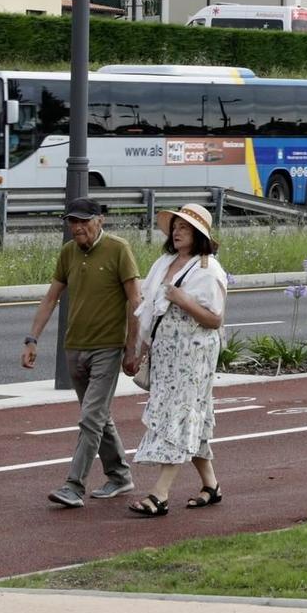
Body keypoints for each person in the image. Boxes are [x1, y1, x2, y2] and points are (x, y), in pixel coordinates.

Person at [21, 198, 142, 509]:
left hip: (107, 348)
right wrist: (32, 338)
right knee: (99, 417)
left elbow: (135, 302)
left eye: (83, 221)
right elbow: (51, 298)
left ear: (99, 220)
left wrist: (133, 348)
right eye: (72, 221)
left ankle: (74, 485)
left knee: (90, 418)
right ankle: (119, 475)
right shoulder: (68, 253)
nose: (77, 227)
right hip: (75, 347)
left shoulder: (119, 249)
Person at [124, 202, 227, 516]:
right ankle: (211, 485)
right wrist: (138, 349)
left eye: (184, 228)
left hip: (193, 355)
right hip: (167, 354)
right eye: (175, 227)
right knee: (190, 416)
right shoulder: (164, 263)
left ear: (199, 234)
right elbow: (149, 310)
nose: (177, 232)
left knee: (179, 415)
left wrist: (182, 299)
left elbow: (215, 319)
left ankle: (160, 493)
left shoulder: (208, 270)